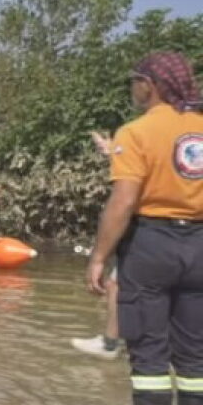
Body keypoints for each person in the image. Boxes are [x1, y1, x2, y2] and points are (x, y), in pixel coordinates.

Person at [86, 50, 203, 405]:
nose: (131, 87)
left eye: (134, 80)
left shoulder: (136, 132)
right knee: (195, 355)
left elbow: (124, 202)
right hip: (200, 247)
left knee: (149, 349)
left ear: (150, 84)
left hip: (153, 244)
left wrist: (99, 256)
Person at [71, 132, 123, 358]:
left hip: (155, 230)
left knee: (115, 285)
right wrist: (110, 150)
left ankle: (110, 344)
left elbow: (125, 199)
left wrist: (98, 258)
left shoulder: (145, 130)